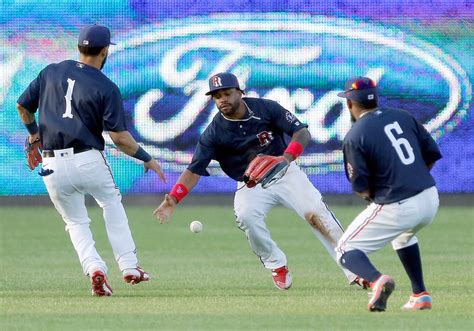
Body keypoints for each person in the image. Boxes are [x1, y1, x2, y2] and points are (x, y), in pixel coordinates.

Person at [154, 72, 361, 290]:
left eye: (227, 93)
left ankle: (356, 270)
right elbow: (194, 170)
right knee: (246, 217)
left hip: (285, 172)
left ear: (240, 93)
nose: (222, 99)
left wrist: (286, 157)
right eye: (216, 96)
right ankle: (276, 264)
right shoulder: (213, 133)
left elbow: (301, 132)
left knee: (316, 213)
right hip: (250, 183)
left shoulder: (266, 108)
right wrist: (174, 199)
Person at [16, 24, 166, 296]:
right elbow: (119, 137)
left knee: (75, 222)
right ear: (105, 51)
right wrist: (147, 158)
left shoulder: (51, 71)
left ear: (79, 48)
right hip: (88, 159)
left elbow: (23, 106)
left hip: (52, 164)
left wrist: (34, 135)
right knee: (110, 204)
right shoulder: (106, 87)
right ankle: (129, 265)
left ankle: (94, 267)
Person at [335, 77, 442, 311]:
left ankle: (377, 280)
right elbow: (431, 154)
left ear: (350, 104)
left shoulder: (356, 135)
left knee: (345, 249)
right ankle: (420, 294)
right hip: (430, 196)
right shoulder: (403, 116)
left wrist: (380, 197)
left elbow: (362, 186)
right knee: (403, 236)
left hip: (399, 204)